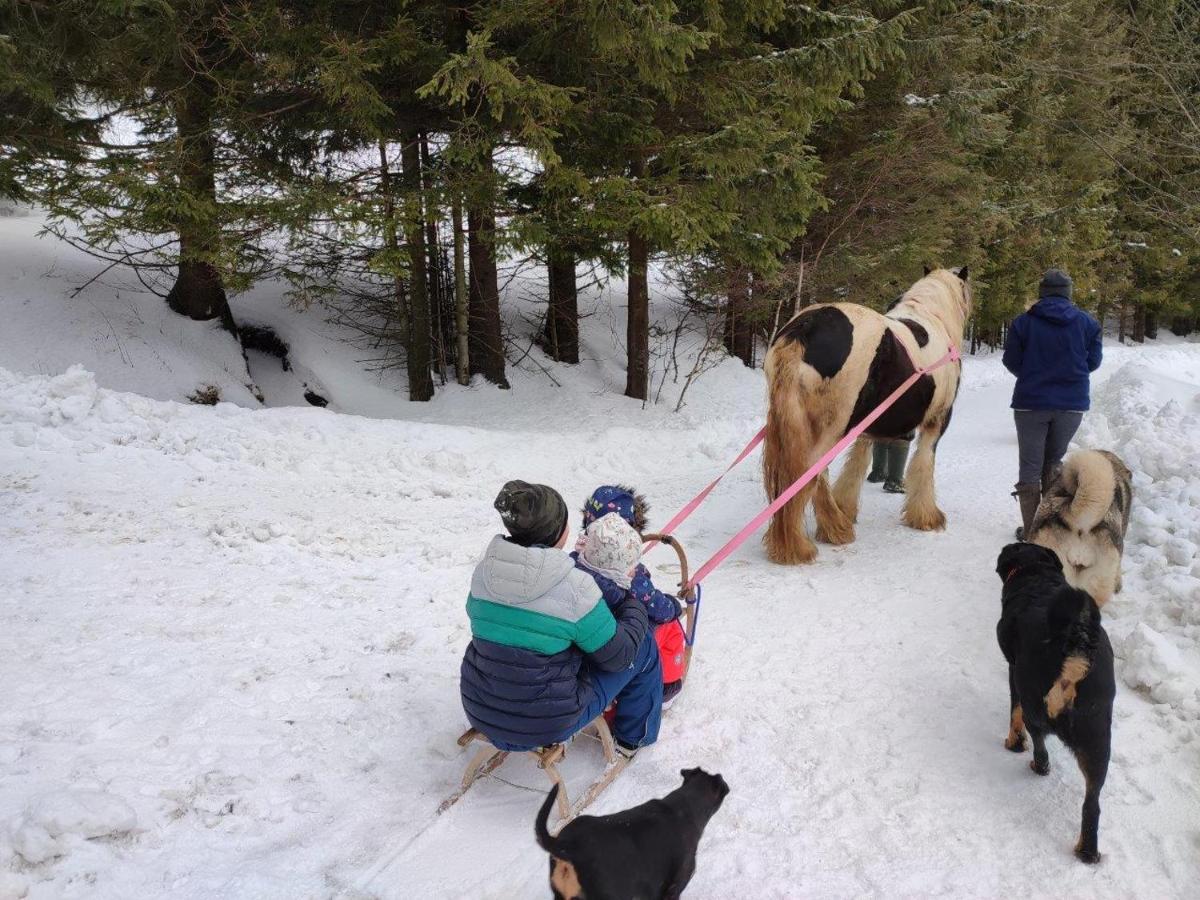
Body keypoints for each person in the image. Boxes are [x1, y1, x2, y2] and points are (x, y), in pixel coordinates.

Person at [460, 480, 662, 759]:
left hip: (479, 710)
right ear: (560, 533)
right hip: (546, 723)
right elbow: (618, 657)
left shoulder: (484, 572)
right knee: (642, 648)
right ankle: (633, 737)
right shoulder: (574, 586)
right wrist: (634, 603)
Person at [1003, 268, 1103, 539]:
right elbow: (1093, 362)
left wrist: (1032, 374)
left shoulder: (1022, 323)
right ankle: (1051, 528)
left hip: (1030, 403)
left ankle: (1032, 531)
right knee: (1054, 462)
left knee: (1030, 466)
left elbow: (1011, 360)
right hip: (1071, 404)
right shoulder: (1088, 324)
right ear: (1069, 294)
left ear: (1042, 293)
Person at [581, 485, 688, 704]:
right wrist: (673, 605)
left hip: (590, 642)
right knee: (670, 626)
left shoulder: (579, 556)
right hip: (622, 642)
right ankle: (667, 685)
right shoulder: (631, 574)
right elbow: (657, 607)